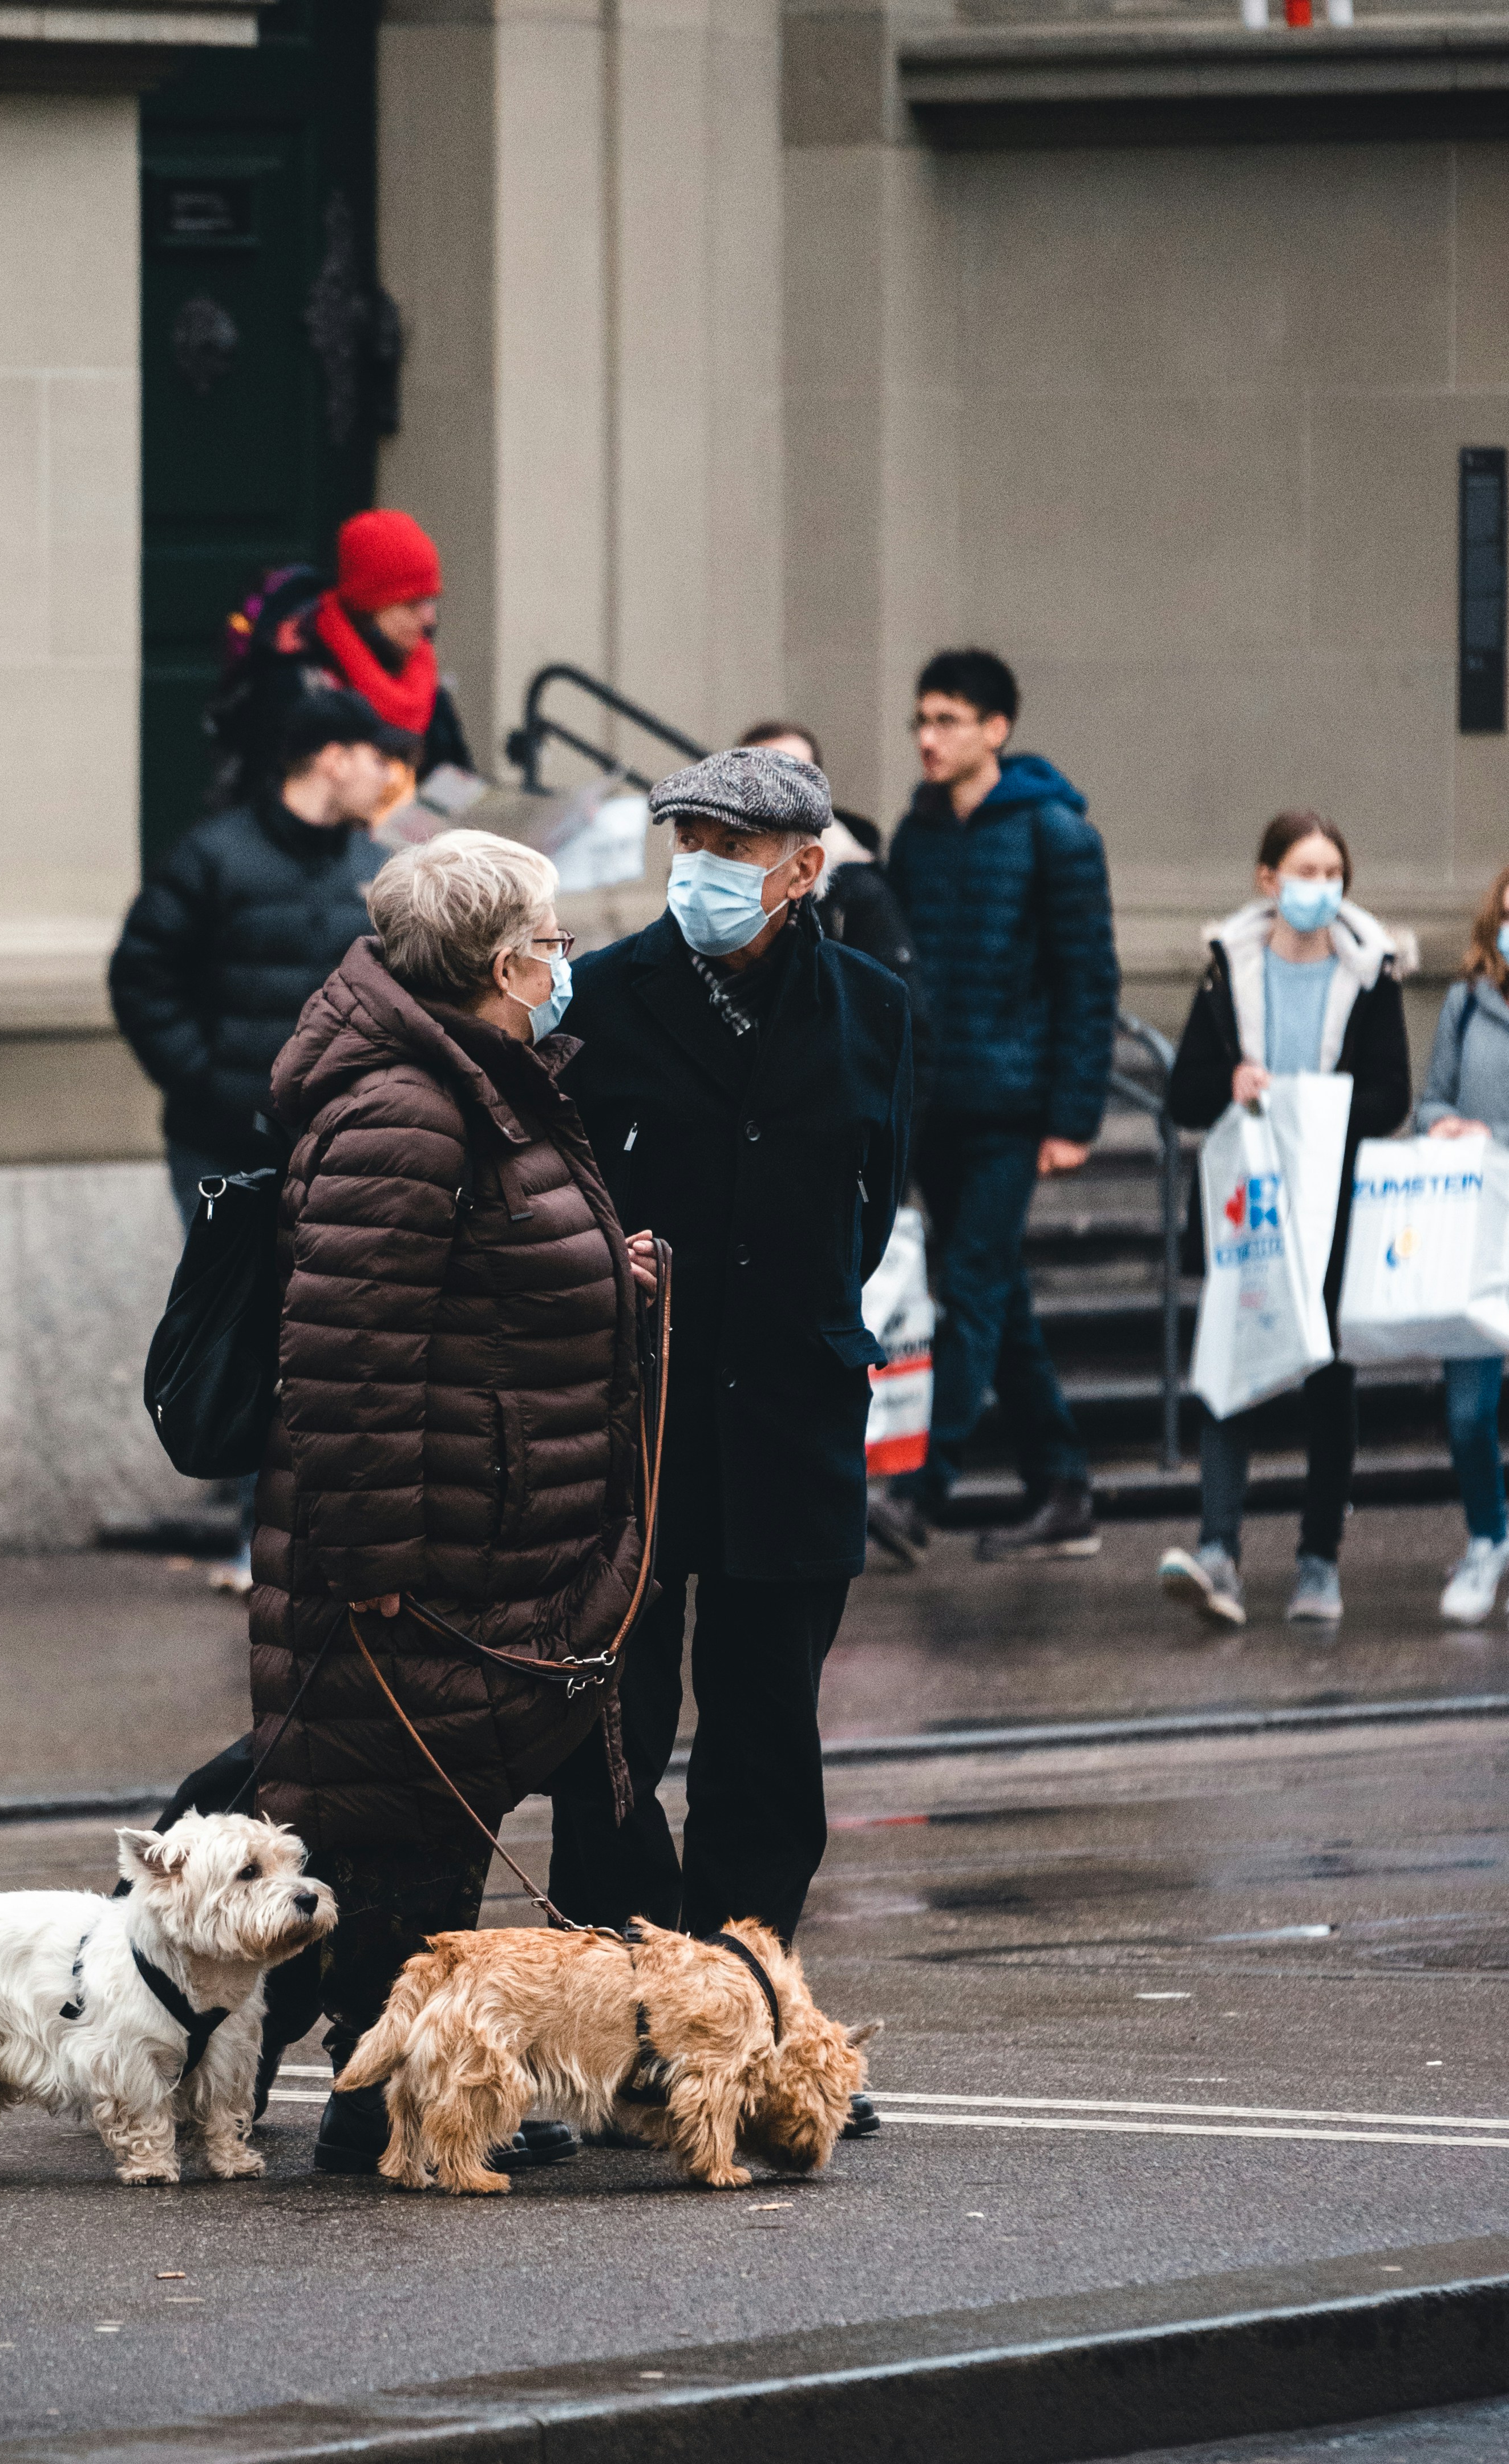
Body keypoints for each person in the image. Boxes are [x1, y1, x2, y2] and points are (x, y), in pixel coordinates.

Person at [245, 829, 660, 2176]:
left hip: (488, 1527)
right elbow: (350, 1354)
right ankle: (381, 2105)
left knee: (426, 1805)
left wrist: (614, 1271)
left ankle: (410, 2091)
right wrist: (372, 1559)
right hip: (424, 1546)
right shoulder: (407, 1107)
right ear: (498, 963)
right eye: (551, 940)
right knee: (401, 1816)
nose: (563, 962)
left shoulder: (474, 1077)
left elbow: (487, 1274)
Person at [545, 747, 912, 1952]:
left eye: (729, 848)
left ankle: (742, 2007)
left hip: (789, 1420)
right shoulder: (597, 999)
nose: (696, 866)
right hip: (632, 1430)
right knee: (610, 1735)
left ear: (802, 868)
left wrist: (798, 1317)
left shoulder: (870, 1005)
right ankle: (620, 2006)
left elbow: (875, 1200)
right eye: (683, 842)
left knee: (766, 1743)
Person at [109, 689, 405, 1589]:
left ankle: (302, 1531)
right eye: (371, 753)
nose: (388, 775)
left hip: (335, 1138)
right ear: (327, 757)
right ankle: (251, 1534)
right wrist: (207, 1080)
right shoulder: (215, 855)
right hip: (222, 1143)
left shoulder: (376, 865)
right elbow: (142, 975)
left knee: (324, 1331)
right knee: (246, 1326)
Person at [870, 647, 1118, 1569]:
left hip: (1012, 1109)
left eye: (945, 720)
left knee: (968, 1295)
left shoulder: (1056, 832)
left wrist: (1071, 1118)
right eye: (919, 720)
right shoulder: (918, 830)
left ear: (993, 729)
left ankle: (919, 1490)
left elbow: (1086, 981)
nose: (926, 737)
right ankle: (1062, 1487)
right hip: (932, 1103)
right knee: (998, 1300)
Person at [1160, 812, 1412, 1630]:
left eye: (1333, 874)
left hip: (1331, 1202)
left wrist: (1309, 1103)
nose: (1321, 890)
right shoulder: (1224, 971)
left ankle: (1316, 1560)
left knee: (1327, 1378)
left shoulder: (1369, 972)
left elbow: (1389, 1095)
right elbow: (1184, 1094)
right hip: (1249, 1203)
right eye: (1305, 871)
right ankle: (1216, 1551)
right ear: (1266, 878)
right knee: (1230, 1364)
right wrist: (1233, 1083)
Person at [1399, 865, 1509, 1623]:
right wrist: (1438, 1122)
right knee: (1468, 1411)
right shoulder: (1468, 1003)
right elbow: (1430, 1095)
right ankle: (1485, 1538)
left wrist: (1493, 1135)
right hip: (1474, 1235)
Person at [225, 509, 474, 799]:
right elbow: (269, 799)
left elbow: (459, 787)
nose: (429, 619)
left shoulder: (424, 678)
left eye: (431, 601)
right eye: (411, 605)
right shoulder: (297, 682)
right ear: (368, 609)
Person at [735, 720, 928, 1060]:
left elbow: (905, 1027)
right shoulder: (719, 887)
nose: (782, 792)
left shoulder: (857, 890)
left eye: (797, 776)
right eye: (763, 778)